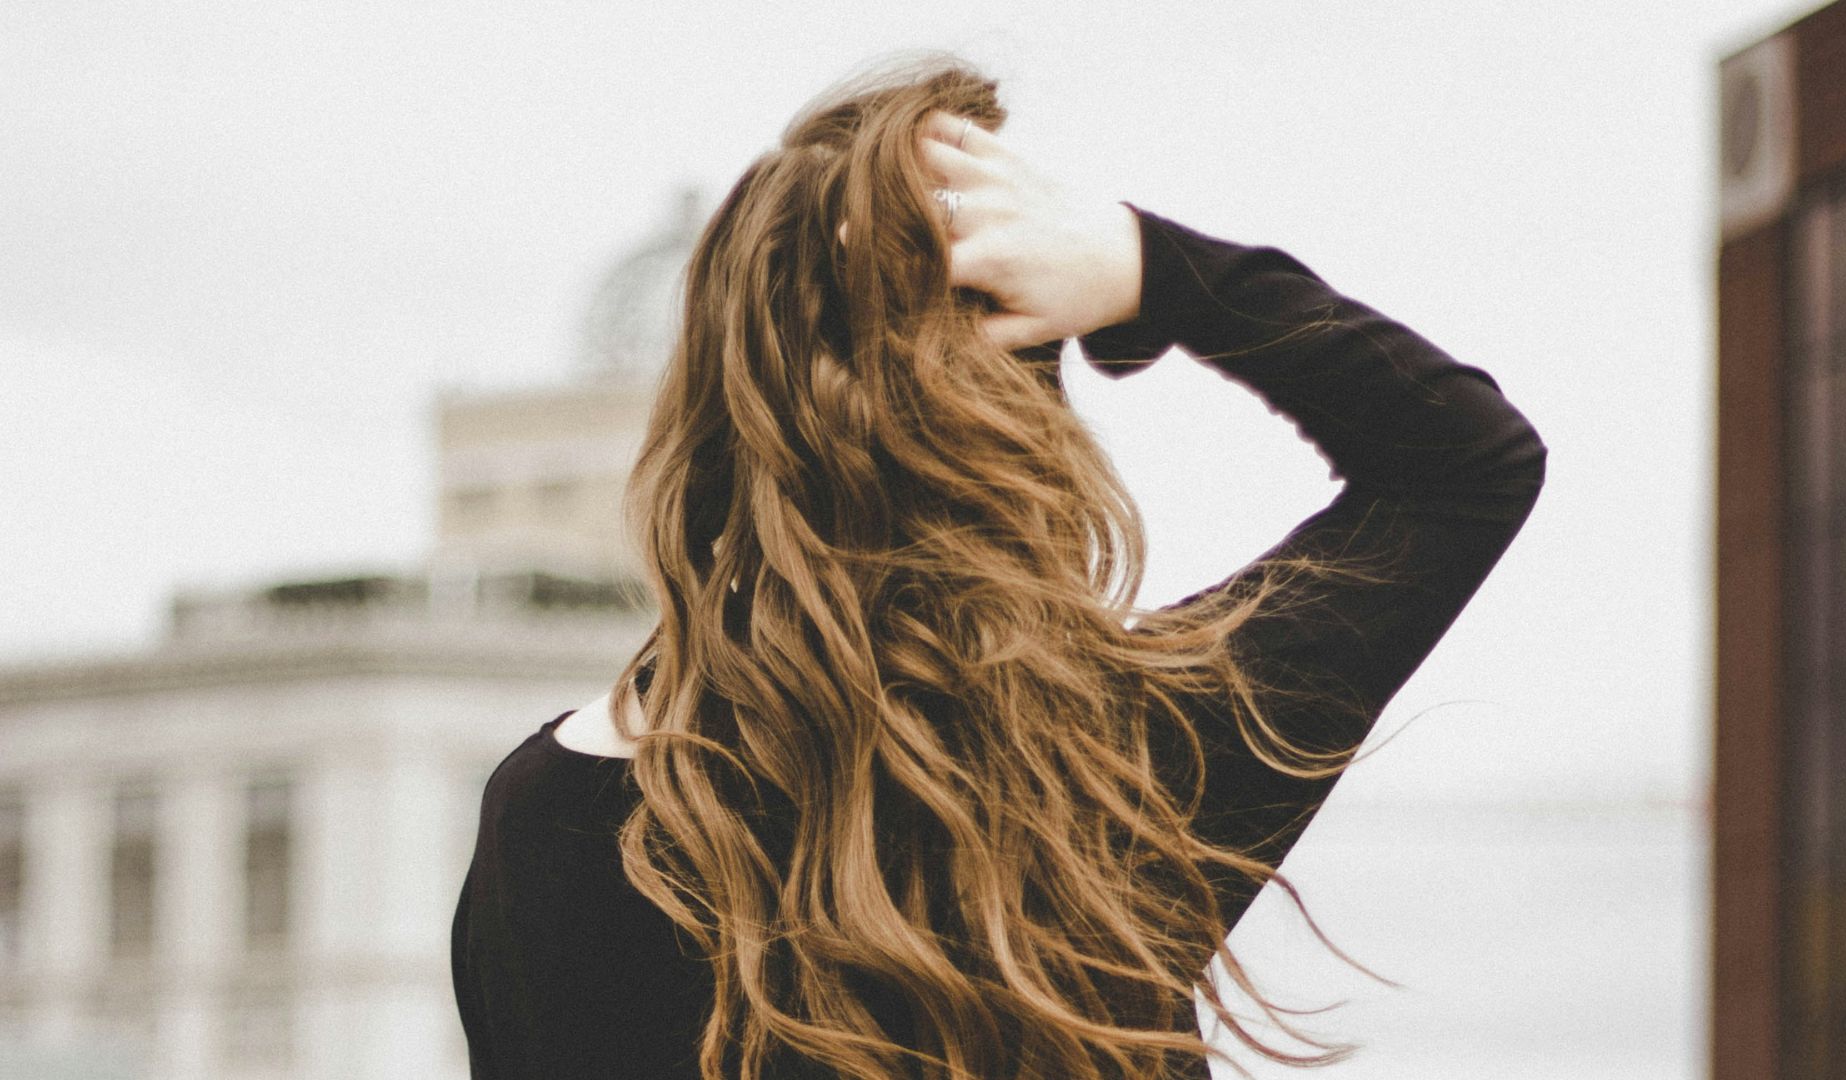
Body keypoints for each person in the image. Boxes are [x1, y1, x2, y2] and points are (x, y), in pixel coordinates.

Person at [452, 53, 1547, 1080]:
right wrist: (1148, 268)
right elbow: (1461, 464)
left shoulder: (537, 818)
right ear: (1021, 423)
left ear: (719, 399)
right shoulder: (1110, 769)